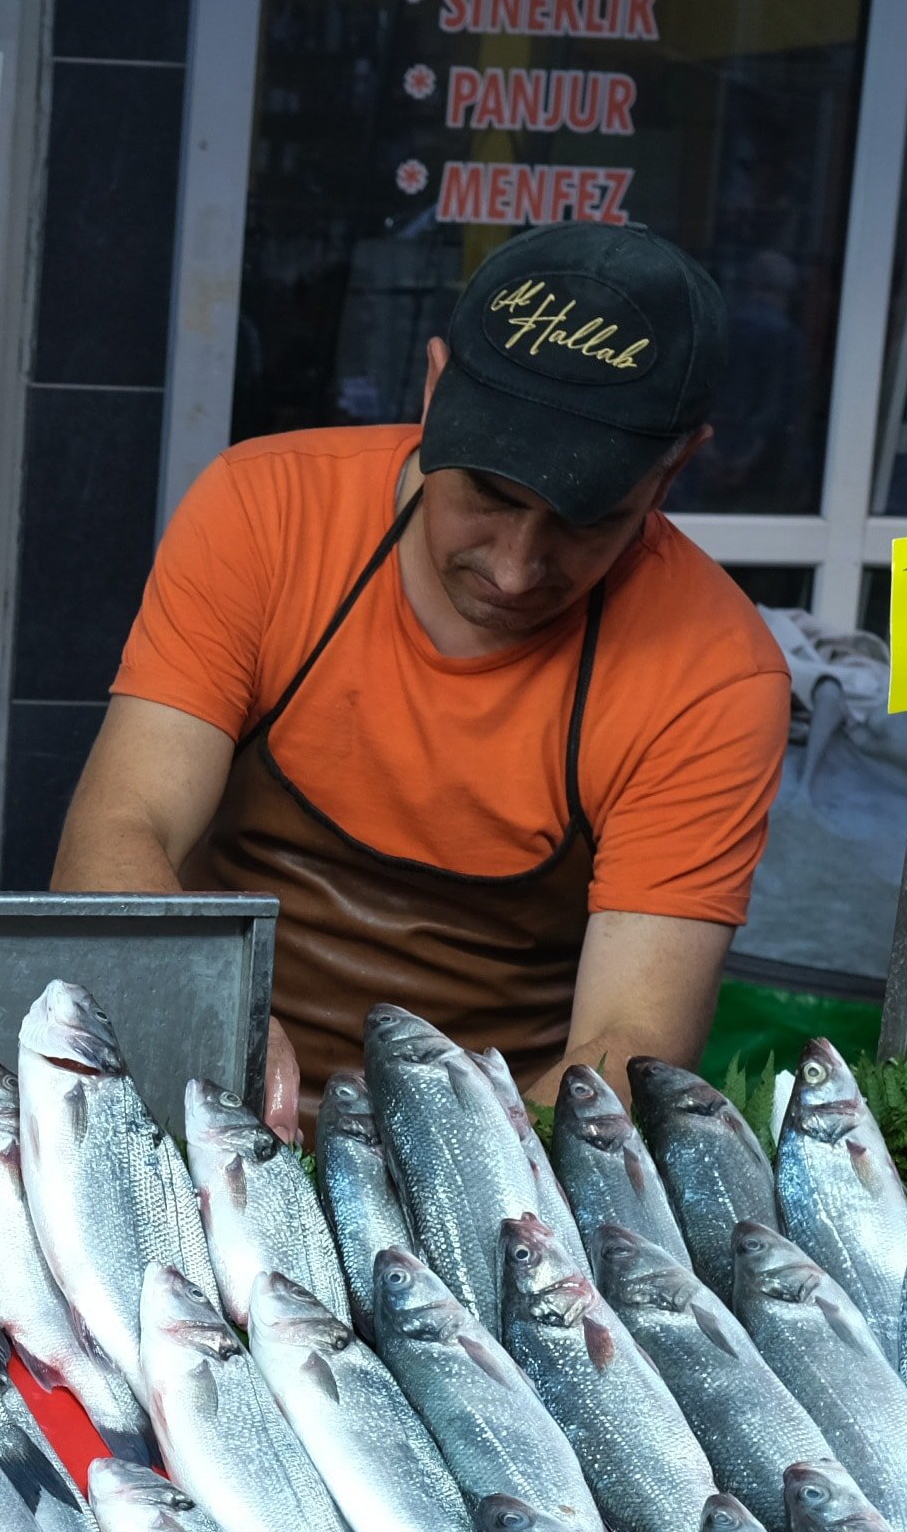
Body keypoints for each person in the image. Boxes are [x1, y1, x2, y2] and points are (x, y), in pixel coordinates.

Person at [53, 223, 786, 1130]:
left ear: (676, 466)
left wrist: (464, 1181)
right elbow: (119, 828)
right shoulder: (266, 512)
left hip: (493, 1152)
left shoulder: (714, 673)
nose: (516, 569)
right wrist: (206, 1018)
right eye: (490, 492)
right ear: (435, 389)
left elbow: (631, 1036)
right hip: (199, 1102)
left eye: (586, 521)